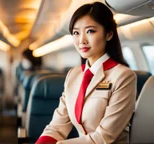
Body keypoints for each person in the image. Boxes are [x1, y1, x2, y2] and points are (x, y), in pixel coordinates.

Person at [36, 2, 136, 144]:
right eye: (76, 33)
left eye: (90, 31)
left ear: (108, 34)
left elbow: (104, 137)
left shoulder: (123, 76)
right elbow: (57, 126)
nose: (82, 40)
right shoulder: (73, 75)